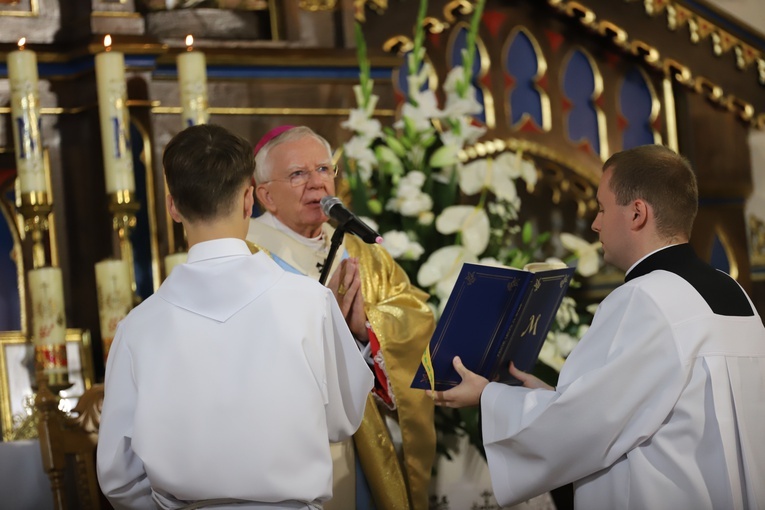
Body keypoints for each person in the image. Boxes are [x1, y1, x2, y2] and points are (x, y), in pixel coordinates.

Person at [432, 144, 765, 509]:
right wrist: (552, 399)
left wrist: (487, 396)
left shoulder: (645, 298)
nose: (595, 223)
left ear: (637, 213)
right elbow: (635, 407)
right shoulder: (734, 292)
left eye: (603, 208)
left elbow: (582, 428)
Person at [96, 124, 373, 510]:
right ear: (249, 200)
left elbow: (119, 477)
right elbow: (343, 421)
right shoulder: (310, 303)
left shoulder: (137, 329)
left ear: (173, 206)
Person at [246, 126, 436, 510]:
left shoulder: (360, 250)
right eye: (299, 174)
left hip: (368, 439)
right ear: (265, 195)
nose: (317, 184)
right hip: (290, 446)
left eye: (324, 170)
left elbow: (416, 315)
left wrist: (369, 329)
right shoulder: (248, 258)